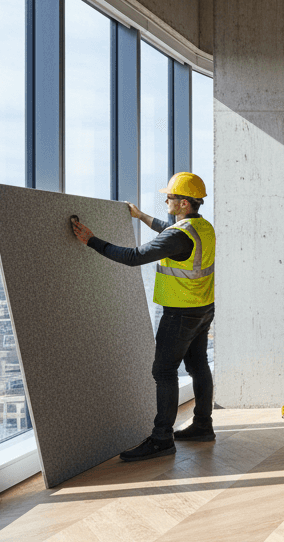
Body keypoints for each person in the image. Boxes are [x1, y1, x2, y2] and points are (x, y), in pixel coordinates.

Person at [71, 172, 216, 462]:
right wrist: (140, 216)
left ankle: (162, 439)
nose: (166, 200)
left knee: (164, 372)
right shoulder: (202, 226)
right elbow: (168, 230)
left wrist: (92, 241)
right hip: (202, 308)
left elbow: (134, 256)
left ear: (184, 203)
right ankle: (203, 425)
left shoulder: (179, 235)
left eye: (170, 197)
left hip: (180, 313)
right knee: (198, 364)